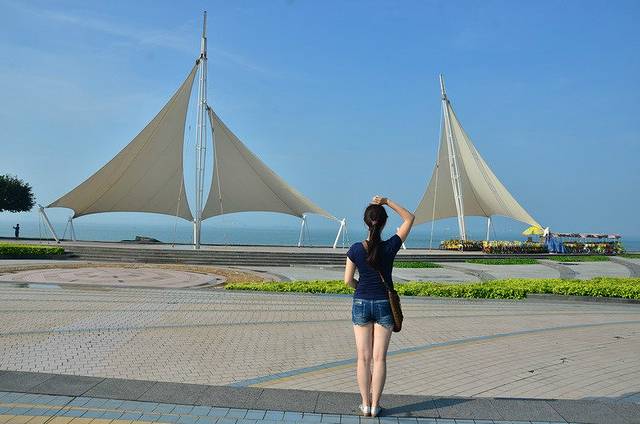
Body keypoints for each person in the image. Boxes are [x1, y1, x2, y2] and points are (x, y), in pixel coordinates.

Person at [344, 195, 415, 417]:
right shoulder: (390, 246)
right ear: (383, 223)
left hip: (361, 303)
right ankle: (375, 406)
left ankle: (365, 404)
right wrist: (386, 201)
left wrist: (361, 289)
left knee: (363, 358)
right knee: (379, 358)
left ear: (366, 222)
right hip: (384, 304)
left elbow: (347, 281)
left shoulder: (355, 249)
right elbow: (409, 218)